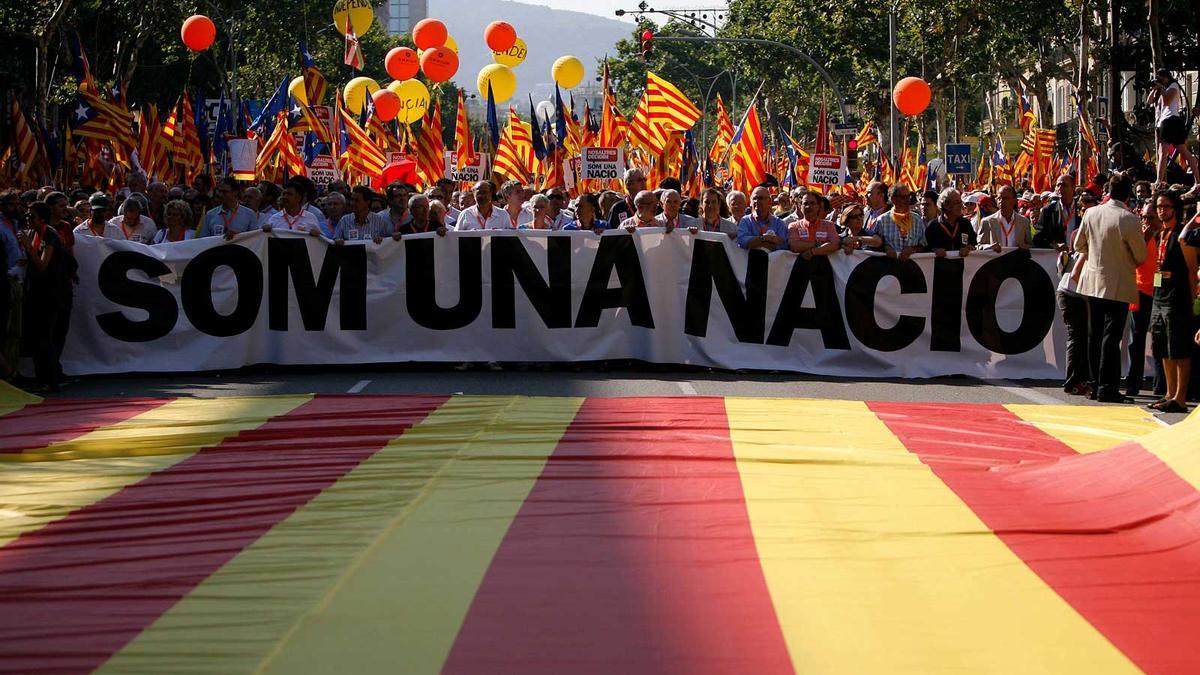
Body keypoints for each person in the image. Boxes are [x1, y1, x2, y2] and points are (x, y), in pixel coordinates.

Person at [1075, 174, 1150, 403]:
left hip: (1092, 281)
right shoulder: (1129, 219)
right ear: (1128, 194)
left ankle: (1095, 384)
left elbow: (1078, 245)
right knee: (1111, 336)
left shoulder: (1091, 213)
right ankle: (1107, 386)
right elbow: (1140, 256)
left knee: (1094, 335)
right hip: (1117, 284)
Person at [1147, 190, 1198, 412]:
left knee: (1179, 347)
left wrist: (1192, 296)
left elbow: (1191, 269)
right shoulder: (1160, 234)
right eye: (1159, 206)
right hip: (1159, 295)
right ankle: (1169, 393)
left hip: (1178, 297)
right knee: (1162, 347)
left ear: (1175, 209)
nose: (1162, 210)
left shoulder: (1181, 235)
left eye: (1166, 206)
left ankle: (1180, 397)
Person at [17, 202, 73, 391]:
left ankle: (49, 379)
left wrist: (28, 248)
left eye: (32, 216)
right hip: (37, 293)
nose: (28, 219)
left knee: (45, 338)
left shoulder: (49, 235)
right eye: (27, 216)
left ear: (41, 217)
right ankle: (45, 377)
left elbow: (43, 265)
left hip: (50, 294)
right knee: (38, 337)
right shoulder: (33, 233)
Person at [1126, 199, 1162, 397]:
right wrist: (1145, 239)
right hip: (1140, 292)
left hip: (1159, 293)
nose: (1147, 221)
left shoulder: (1166, 234)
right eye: (1145, 217)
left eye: (1151, 217)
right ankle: (1133, 384)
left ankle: (1160, 386)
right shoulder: (1139, 235)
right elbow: (1132, 260)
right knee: (1136, 341)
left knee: (1159, 341)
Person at [1147, 69, 1200, 193]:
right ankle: (1197, 179)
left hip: (1170, 121)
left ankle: (1158, 180)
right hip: (1166, 122)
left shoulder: (1173, 86)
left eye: (1160, 79)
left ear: (1166, 78)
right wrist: (1155, 88)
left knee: (1163, 151)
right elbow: (1149, 101)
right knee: (1181, 150)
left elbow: (1166, 102)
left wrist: (1161, 88)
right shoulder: (1162, 89)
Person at [876, 184, 926, 260]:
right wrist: (886, 248)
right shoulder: (882, 220)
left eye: (909, 196)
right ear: (893, 199)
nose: (908, 200)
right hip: (889, 267)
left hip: (913, 268)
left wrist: (912, 249)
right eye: (904, 197)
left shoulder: (917, 219)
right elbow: (875, 246)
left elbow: (924, 245)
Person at [978, 185, 1032, 251]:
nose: (1001, 201)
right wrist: (989, 247)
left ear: (1014, 200)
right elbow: (979, 246)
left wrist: (1025, 247)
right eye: (999, 198)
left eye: (1005, 198)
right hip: (996, 260)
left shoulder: (1024, 222)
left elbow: (1031, 246)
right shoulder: (987, 222)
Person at [925, 188, 975, 257]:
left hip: (963, 266)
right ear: (946, 205)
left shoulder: (965, 224)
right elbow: (925, 250)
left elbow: (974, 244)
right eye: (956, 203)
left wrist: (969, 248)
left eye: (961, 202)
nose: (961, 206)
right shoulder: (933, 226)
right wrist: (934, 251)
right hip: (940, 266)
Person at [787, 192, 840, 258]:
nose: (808, 207)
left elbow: (835, 244)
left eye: (812, 203)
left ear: (818, 206)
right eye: (805, 203)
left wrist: (813, 252)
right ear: (800, 206)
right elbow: (794, 246)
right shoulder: (794, 226)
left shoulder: (829, 225)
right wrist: (817, 244)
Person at [1033, 174, 1078, 249]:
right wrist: (1053, 245)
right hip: (1057, 257)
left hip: (1079, 256)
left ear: (1073, 187)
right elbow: (1037, 237)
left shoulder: (1082, 208)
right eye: (1058, 185)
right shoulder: (1048, 211)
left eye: (1064, 185)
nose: (1060, 188)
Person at [736, 187, 789, 251]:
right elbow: (742, 242)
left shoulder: (779, 223)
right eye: (754, 198)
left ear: (769, 201)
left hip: (775, 260)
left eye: (760, 198)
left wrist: (756, 242)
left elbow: (784, 245)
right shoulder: (745, 221)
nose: (757, 201)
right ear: (750, 201)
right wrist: (765, 239)